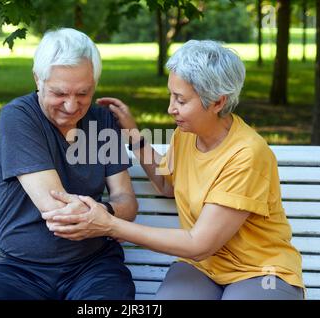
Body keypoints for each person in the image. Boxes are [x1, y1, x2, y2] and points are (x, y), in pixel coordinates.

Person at [43, 40, 305, 300]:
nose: (170, 108)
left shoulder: (247, 154)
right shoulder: (187, 133)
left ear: (217, 102)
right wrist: (134, 135)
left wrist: (110, 225)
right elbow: (167, 185)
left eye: (181, 99)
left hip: (259, 271)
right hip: (204, 267)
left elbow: (199, 244)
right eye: (171, 95)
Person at [0, 28, 137, 300]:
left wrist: (105, 209)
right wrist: (107, 216)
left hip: (93, 266)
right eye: (59, 93)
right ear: (38, 79)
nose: (72, 106)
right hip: (21, 270)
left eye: (83, 93)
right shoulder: (18, 118)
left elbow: (128, 203)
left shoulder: (101, 122)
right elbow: (58, 212)